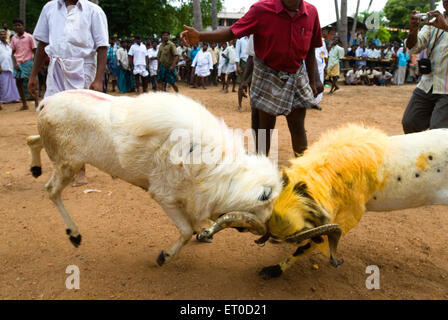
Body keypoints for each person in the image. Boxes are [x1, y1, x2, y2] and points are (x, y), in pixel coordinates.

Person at [181, 0, 323, 157]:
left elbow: (311, 48)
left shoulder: (311, 13)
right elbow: (231, 32)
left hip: (296, 73)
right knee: (265, 131)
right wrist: (200, 36)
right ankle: (261, 172)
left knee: (298, 127)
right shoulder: (261, 9)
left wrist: (313, 80)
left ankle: (304, 175)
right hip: (268, 74)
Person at [28, 0, 109, 186]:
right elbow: (42, 44)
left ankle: (80, 171)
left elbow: (102, 47)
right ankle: (63, 166)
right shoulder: (49, 8)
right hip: (56, 67)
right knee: (52, 117)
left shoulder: (94, 11)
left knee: (78, 119)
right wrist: (33, 75)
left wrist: (98, 80)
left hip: (83, 67)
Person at [402, 3, 448, 134]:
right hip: (427, 84)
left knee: (438, 131)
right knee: (410, 123)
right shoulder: (434, 21)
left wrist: (446, 27)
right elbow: (413, 47)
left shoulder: (440, 22)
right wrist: (413, 30)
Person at [10, 18, 38, 111]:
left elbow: (35, 50)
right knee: (18, 83)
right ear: (13, 27)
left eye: (19, 25)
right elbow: (12, 53)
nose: (17, 27)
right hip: (18, 63)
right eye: (15, 25)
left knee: (32, 83)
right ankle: (24, 104)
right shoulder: (13, 38)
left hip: (28, 62)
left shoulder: (29, 37)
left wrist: (35, 64)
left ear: (23, 26)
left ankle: (37, 103)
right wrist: (14, 64)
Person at [0, 29, 20, 109]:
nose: (3, 35)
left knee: (12, 84)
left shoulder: (9, 44)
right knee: (3, 85)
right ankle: (4, 99)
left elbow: (13, 55)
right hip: (2, 67)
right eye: (1, 34)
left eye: (4, 34)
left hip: (10, 67)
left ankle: (13, 98)